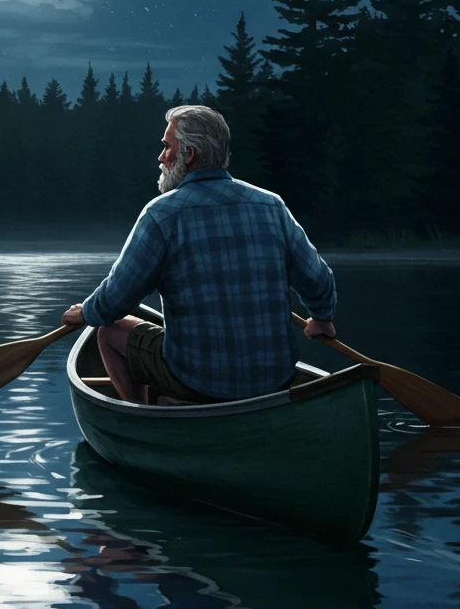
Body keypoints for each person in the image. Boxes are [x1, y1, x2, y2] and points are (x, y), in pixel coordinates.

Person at [62, 105, 338, 404]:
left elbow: (115, 301)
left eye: (167, 147)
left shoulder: (162, 214)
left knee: (108, 330)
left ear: (189, 155)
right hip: (275, 378)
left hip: (198, 380)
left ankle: (141, 417)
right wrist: (321, 318)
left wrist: (87, 313)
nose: (161, 157)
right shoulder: (271, 206)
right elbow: (317, 280)